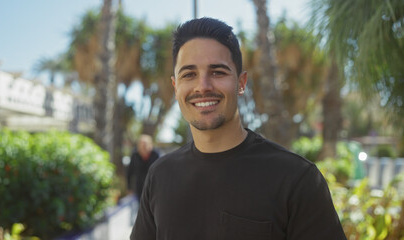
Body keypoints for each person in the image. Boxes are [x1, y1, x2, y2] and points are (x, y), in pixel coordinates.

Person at [130, 17, 347, 240]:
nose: (203, 86)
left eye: (217, 72)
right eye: (189, 74)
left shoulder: (296, 179)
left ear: (241, 83)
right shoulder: (160, 175)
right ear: (176, 87)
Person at [127, 134, 160, 202]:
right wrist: (129, 187)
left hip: (154, 188)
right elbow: (129, 172)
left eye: (145, 144)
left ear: (150, 145)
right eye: (141, 145)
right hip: (140, 188)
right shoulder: (135, 155)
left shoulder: (156, 155)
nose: (143, 147)